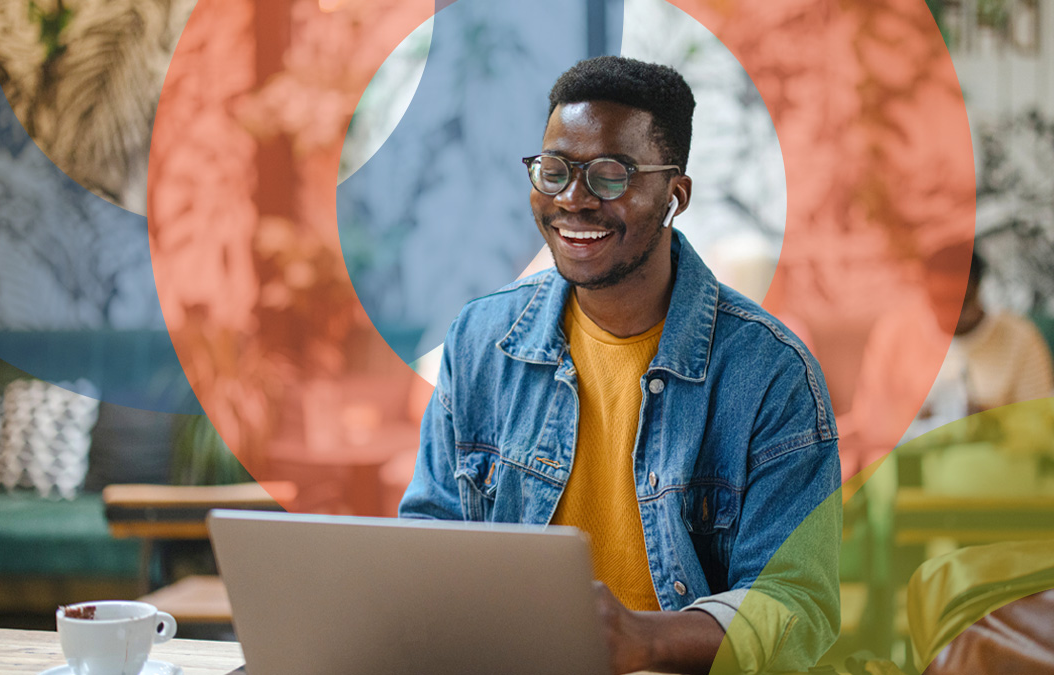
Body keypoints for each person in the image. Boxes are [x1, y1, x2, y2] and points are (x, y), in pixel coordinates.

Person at [399, 56, 841, 675]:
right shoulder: (480, 339)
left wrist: (645, 639)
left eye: (610, 176)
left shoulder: (771, 374)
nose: (574, 200)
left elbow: (798, 606)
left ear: (674, 195)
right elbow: (430, 538)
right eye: (553, 172)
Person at [848, 247, 1054, 460]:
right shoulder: (894, 332)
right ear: (926, 290)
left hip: (993, 469)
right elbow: (869, 419)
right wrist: (919, 419)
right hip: (911, 467)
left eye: (960, 302)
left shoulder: (1021, 339)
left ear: (979, 291)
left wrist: (993, 425)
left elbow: (1041, 430)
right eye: (939, 300)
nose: (950, 313)